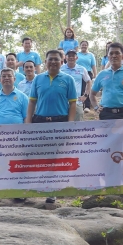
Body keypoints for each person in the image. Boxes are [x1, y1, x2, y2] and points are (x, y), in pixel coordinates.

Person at [27, 50, 77, 206]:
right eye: (50, 59)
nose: (53, 62)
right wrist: (28, 122)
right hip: (40, 121)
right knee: (41, 157)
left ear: (61, 61)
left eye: (56, 59)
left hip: (60, 122)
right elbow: (32, 102)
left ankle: (52, 191)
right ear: (45, 61)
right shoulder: (38, 79)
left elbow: (73, 104)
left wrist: (69, 124)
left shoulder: (68, 80)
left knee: (56, 158)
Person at [91, 42, 123, 130]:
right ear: (108, 56)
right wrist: (96, 107)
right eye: (111, 53)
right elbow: (92, 94)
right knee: (107, 143)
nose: (114, 56)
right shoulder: (102, 74)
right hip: (106, 114)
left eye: (117, 53)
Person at [60, 50, 92, 121]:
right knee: (62, 125)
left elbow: (89, 82)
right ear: (65, 57)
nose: (71, 57)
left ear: (76, 58)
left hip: (77, 102)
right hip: (62, 102)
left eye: (73, 56)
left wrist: (85, 95)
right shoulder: (60, 69)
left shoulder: (82, 69)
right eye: (69, 56)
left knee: (78, 125)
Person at [76, 40, 97, 110]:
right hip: (78, 73)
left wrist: (95, 74)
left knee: (87, 88)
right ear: (80, 46)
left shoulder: (91, 55)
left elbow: (93, 65)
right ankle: (79, 104)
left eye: (85, 45)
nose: (84, 46)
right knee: (80, 88)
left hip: (88, 73)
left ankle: (87, 106)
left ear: (87, 46)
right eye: (82, 45)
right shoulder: (77, 54)